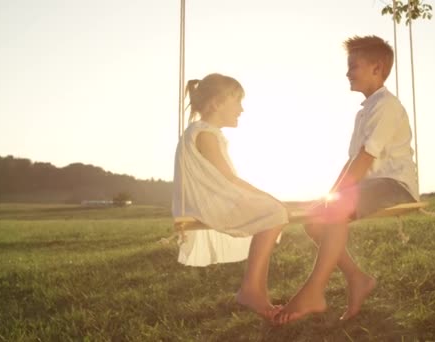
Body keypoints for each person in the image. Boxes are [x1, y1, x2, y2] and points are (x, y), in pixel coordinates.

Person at [274, 35, 420, 324]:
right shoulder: (365, 112)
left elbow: (366, 157)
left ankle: (314, 290)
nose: (347, 72)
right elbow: (354, 161)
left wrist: (337, 199)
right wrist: (329, 196)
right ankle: (357, 278)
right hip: (371, 185)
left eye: (353, 66)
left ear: (377, 69)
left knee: (335, 209)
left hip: (394, 184)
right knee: (314, 220)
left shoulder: (387, 106)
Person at [172, 73, 288, 318]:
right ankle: (251, 290)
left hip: (212, 201)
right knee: (274, 212)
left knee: (273, 210)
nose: (241, 109)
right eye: (236, 101)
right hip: (211, 204)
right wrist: (268, 197)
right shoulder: (205, 133)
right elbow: (229, 178)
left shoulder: (203, 131)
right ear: (216, 103)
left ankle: (257, 291)